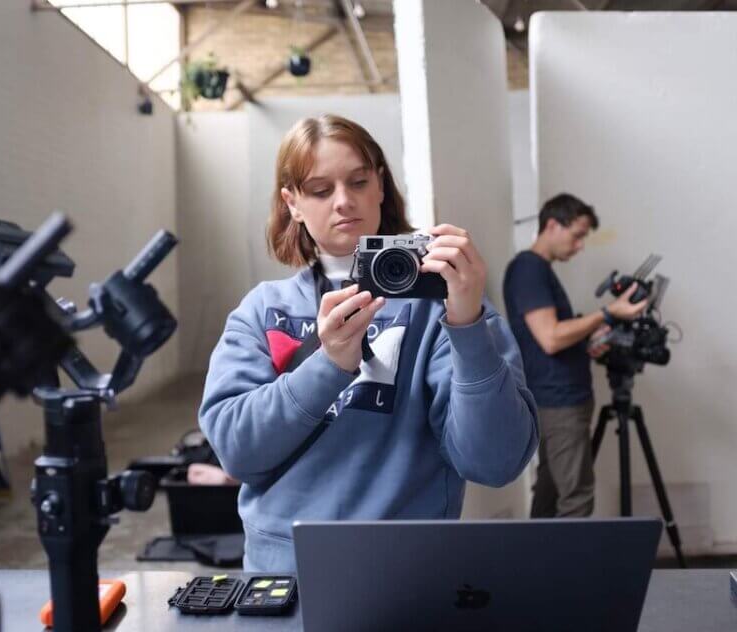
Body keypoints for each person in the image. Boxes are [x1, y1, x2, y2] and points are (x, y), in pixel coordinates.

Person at [199, 114, 539, 572]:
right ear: (292, 203)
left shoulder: (445, 310)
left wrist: (468, 325)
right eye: (320, 190)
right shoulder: (263, 311)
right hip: (286, 576)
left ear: (380, 185)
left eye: (358, 181)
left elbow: (495, 463)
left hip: (410, 573)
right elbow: (238, 453)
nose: (344, 202)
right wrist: (329, 364)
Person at [503, 193, 647, 519]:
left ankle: (537, 566)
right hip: (559, 402)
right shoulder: (528, 269)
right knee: (576, 496)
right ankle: (571, 570)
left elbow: (552, 337)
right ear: (553, 225)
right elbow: (551, 337)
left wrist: (587, 340)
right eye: (577, 235)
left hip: (560, 397)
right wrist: (609, 313)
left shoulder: (538, 270)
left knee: (551, 488)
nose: (580, 245)